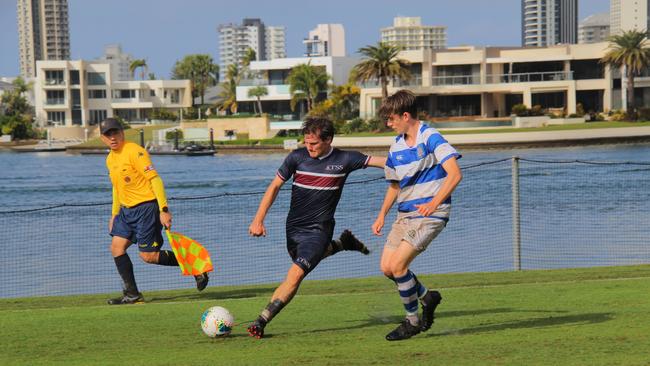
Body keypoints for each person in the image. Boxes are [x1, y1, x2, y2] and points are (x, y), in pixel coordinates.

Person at [247, 117, 386, 338]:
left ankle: (261, 321)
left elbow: (385, 162)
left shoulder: (345, 159)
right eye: (306, 143)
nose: (308, 147)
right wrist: (258, 219)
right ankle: (342, 244)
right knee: (301, 261)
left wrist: (417, 165)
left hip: (319, 231)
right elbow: (274, 186)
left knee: (295, 274)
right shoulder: (296, 158)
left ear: (329, 139)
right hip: (293, 231)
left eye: (314, 144)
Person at [372, 90, 462, 341]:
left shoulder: (430, 136)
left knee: (399, 266)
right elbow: (394, 184)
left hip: (430, 215)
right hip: (404, 215)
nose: (388, 124)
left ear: (406, 115)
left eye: (391, 119)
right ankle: (427, 297)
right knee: (387, 269)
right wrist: (381, 215)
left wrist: (434, 203)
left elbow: (455, 174)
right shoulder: (397, 145)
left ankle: (412, 322)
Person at [100, 118, 208, 305]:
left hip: (146, 209)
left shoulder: (135, 152)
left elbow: (155, 180)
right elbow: (117, 188)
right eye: (107, 134)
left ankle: (195, 266)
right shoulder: (110, 159)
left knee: (148, 256)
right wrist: (114, 214)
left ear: (122, 133)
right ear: (102, 138)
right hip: (126, 212)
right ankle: (132, 295)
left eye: (115, 132)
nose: (112, 137)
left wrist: (163, 209)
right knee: (116, 248)